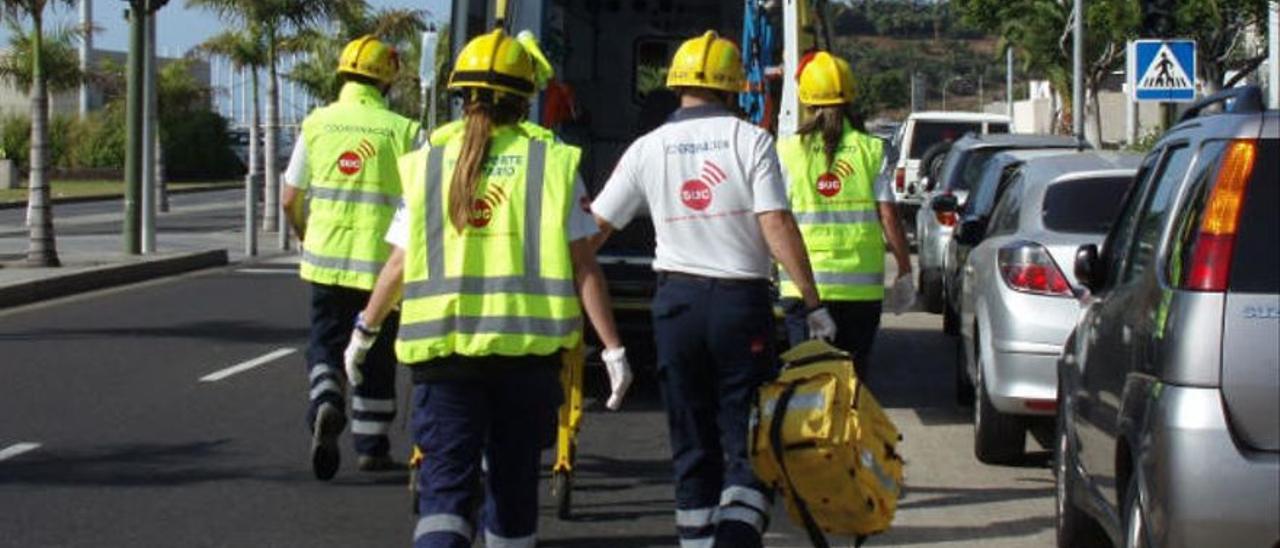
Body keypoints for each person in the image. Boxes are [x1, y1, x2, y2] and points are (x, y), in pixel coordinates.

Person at [344, 28, 632, 548]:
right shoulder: (552, 162)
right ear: (526, 97)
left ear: (461, 95)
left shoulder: (429, 162)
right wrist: (612, 349)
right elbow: (584, 266)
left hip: (443, 357)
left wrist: (365, 328)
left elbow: (399, 264)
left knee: (445, 495)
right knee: (513, 489)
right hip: (526, 360)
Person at [589, 30, 833, 548]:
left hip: (674, 305)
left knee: (691, 440)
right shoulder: (751, 140)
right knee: (746, 441)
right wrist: (812, 303)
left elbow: (593, 232)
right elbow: (776, 224)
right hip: (738, 305)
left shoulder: (646, 148)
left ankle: (697, 541)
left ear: (676, 86)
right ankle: (736, 540)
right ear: (732, 88)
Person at [281, 35, 422, 480]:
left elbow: (289, 198)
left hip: (325, 258)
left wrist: (305, 234)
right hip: (382, 268)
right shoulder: (404, 131)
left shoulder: (316, 124)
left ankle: (325, 399)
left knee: (325, 342)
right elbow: (423, 199)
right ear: (387, 83)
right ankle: (371, 445)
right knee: (376, 353)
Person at [775, 51, 913, 382]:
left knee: (805, 384)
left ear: (805, 100)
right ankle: (847, 434)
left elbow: (775, 219)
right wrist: (905, 270)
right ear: (850, 96)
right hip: (859, 293)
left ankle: (810, 436)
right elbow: (888, 215)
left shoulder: (786, 151)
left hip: (804, 289)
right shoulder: (871, 150)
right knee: (852, 383)